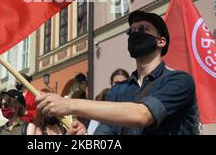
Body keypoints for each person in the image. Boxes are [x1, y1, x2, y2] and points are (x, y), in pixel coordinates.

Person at [36, 10, 198, 135]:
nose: (135, 33)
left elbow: (142, 115)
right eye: (131, 31)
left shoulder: (179, 81)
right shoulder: (118, 90)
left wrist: (70, 104)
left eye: (143, 29)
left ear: (161, 41)